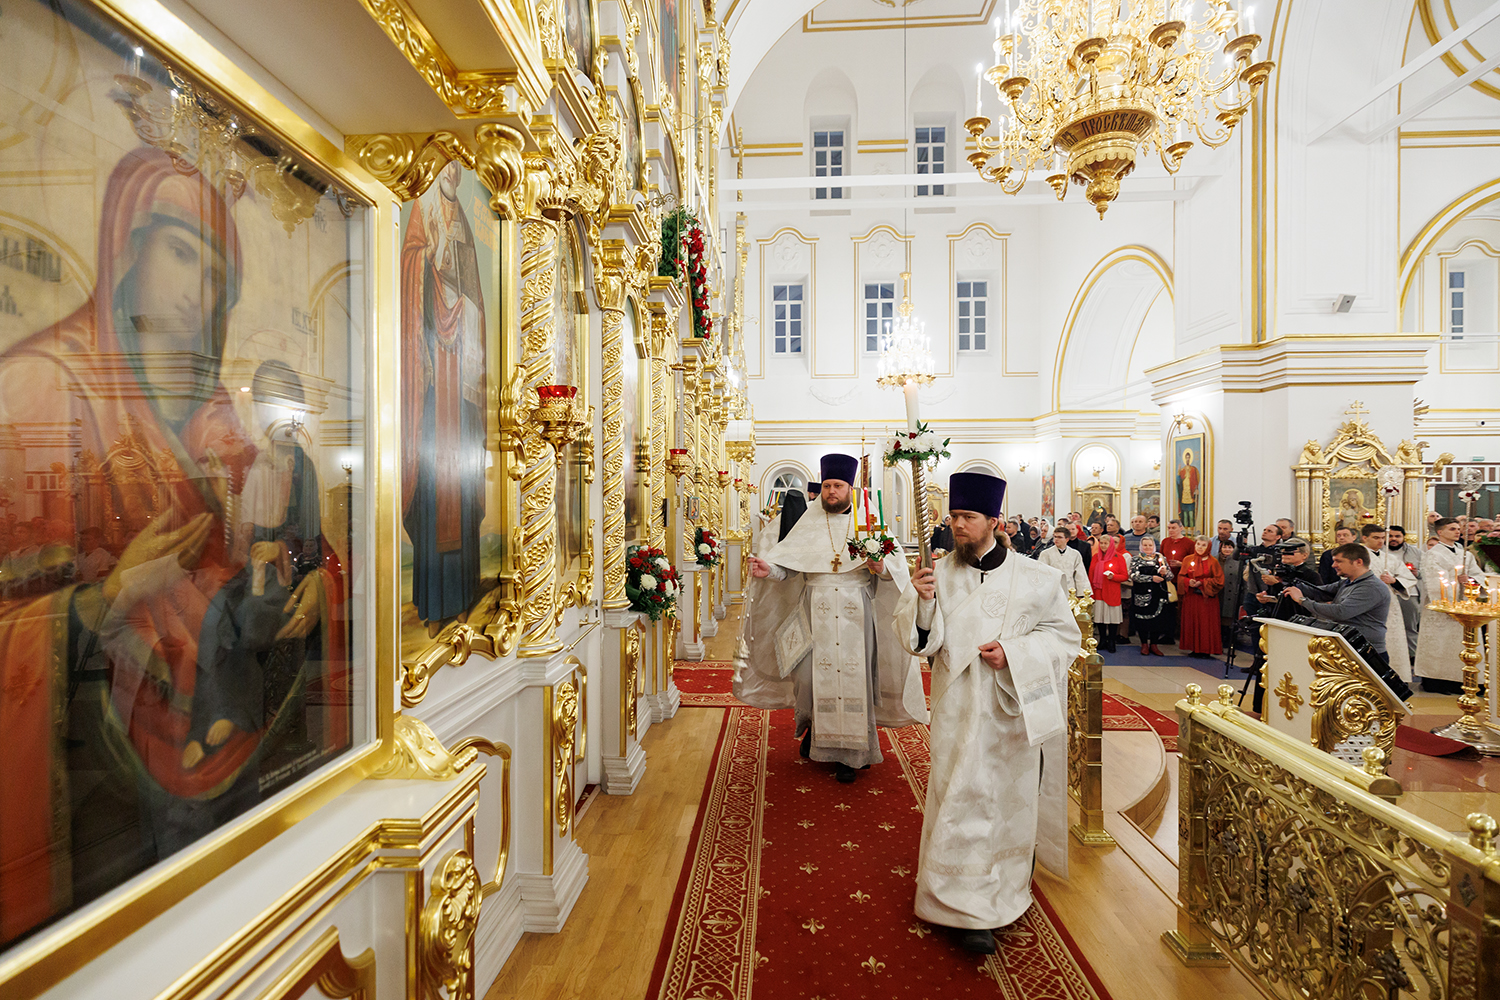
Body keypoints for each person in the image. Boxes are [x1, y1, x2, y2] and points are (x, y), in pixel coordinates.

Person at [0, 149, 346, 943]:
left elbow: (289, 542)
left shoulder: (215, 411)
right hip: (117, 750)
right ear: (128, 247)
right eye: (182, 251)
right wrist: (112, 595)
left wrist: (314, 585)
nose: (200, 291)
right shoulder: (40, 389)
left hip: (228, 708)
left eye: (217, 273)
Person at [893, 472, 1081, 954]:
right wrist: (923, 602)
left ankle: (995, 895)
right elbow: (921, 643)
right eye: (953, 516)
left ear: (995, 522)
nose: (957, 524)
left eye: (967, 517)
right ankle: (954, 900)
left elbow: (1065, 638)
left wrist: (1014, 653)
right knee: (957, 795)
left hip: (1008, 711)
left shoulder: (1037, 578)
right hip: (956, 709)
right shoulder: (939, 574)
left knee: (997, 802)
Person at [737, 455, 927, 782]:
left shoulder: (871, 522)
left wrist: (881, 568)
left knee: (856, 679)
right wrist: (771, 569)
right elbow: (791, 565)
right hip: (815, 609)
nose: (831, 492)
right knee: (810, 678)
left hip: (857, 610)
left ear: (849, 488)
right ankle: (814, 730)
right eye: (827, 486)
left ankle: (853, 755)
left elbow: (894, 572)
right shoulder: (808, 521)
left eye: (838, 486)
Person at [401, 159, 487, 624]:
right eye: (448, 169)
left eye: (458, 170)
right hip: (435, 369)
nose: (452, 175)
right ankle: (436, 600)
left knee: (464, 483)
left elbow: (473, 286)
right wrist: (436, 282)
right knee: (437, 486)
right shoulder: (423, 207)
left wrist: (465, 306)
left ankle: (464, 591)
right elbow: (413, 260)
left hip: (464, 373)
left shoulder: (467, 223)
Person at [1414, 517, 1486, 693]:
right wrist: (1448, 602)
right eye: (1452, 528)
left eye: (1458, 528)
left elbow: (1478, 575)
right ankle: (1436, 682)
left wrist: (1470, 580)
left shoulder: (1465, 554)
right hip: (1441, 608)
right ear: (1440, 532)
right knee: (1439, 645)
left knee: (1463, 644)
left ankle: (1464, 680)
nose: (1457, 531)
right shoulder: (1433, 554)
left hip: (1465, 606)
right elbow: (1433, 580)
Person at [1285, 544, 1392, 661]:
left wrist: (1302, 601)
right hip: (1348, 647)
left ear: (1358, 562)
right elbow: (1320, 592)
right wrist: (1288, 582)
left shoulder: (1371, 587)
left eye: (1338, 561)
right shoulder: (1348, 582)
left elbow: (1341, 612)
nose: (1333, 565)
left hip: (1366, 652)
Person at [1360, 524, 1416, 682]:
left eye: (1383, 538)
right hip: (1367, 604)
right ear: (1365, 538)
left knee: (1392, 639)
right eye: (1376, 538)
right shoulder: (1358, 556)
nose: (1381, 541)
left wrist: (1394, 581)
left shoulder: (1391, 559)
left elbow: (1409, 578)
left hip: (1390, 606)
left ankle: (1395, 677)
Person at [1178, 536, 1224, 657]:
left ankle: (1205, 649)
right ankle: (1194, 648)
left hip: (1206, 598)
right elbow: (1181, 576)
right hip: (1191, 597)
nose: (1200, 547)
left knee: (1205, 624)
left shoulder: (1213, 561)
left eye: (1203, 545)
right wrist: (1188, 582)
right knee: (1191, 622)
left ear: (1208, 546)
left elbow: (1219, 581)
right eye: (1198, 544)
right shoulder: (1187, 559)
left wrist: (1203, 582)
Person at [1128, 537, 1174, 656]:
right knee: (1143, 620)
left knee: (1158, 620)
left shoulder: (1160, 558)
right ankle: (1144, 644)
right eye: (1145, 545)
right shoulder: (1136, 559)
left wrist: (1165, 573)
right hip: (1142, 594)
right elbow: (1133, 575)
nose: (1147, 548)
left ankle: (1154, 644)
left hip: (1159, 594)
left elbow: (1170, 576)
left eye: (1150, 545)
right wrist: (1151, 578)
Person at [1386, 525, 1422, 661]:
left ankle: (1413, 655)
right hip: (1387, 593)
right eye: (1390, 536)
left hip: (1409, 592)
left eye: (1397, 536)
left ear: (1403, 537)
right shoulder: (1380, 552)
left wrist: (1417, 572)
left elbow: (1424, 570)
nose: (1394, 539)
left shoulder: (1415, 552)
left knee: (1410, 626)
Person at [1090, 535, 1127, 652]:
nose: (1103, 546)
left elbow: (1124, 575)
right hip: (1098, 591)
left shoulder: (1118, 557)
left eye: (1106, 543)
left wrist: (1114, 577)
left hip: (1111, 591)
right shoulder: (1096, 557)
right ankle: (1102, 640)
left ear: (1111, 544)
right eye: (1101, 543)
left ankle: (1111, 641)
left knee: (1112, 619)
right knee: (1099, 618)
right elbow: (1091, 575)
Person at [1037, 526, 1090, 596]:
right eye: (1055, 537)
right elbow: (1041, 573)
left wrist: (1081, 594)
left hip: (1070, 590)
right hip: (1052, 590)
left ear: (1067, 539)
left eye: (1060, 537)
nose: (1056, 539)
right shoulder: (1045, 554)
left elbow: (1080, 575)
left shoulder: (1075, 554)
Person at [1217, 541, 1244, 651]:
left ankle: (1229, 639)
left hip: (1231, 592)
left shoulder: (1237, 561)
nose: (1227, 549)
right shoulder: (1215, 559)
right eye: (1225, 547)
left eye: (1230, 547)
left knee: (1229, 616)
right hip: (1219, 592)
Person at [1176, 449, 1200, 529]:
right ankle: (1185, 529)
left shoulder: (1193, 469)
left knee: (1191, 513)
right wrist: (1178, 473)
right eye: (1186, 458)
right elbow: (1179, 482)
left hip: (1191, 494)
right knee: (1185, 514)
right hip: (1184, 494)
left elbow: (1196, 480)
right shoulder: (1182, 470)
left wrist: (1196, 489)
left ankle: (1192, 528)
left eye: (1188, 458)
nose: (1187, 459)